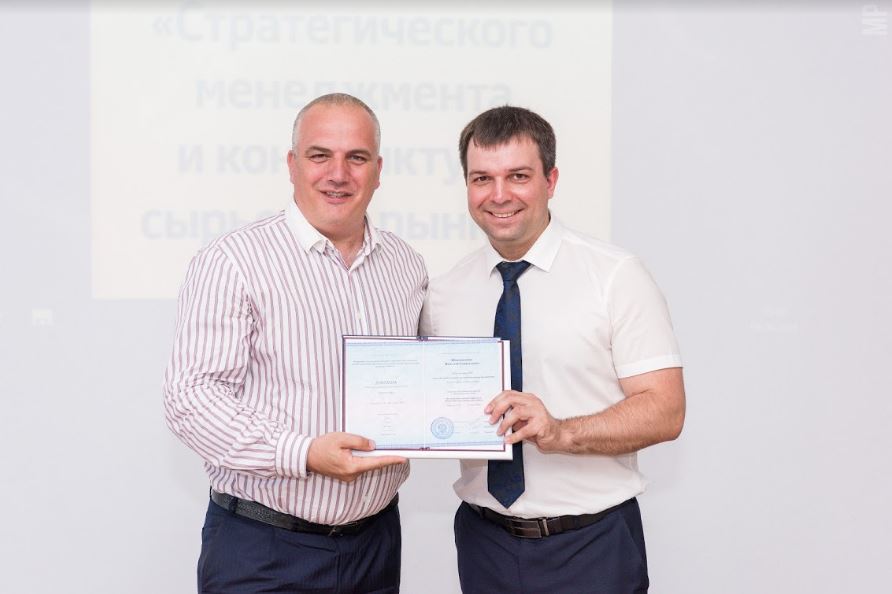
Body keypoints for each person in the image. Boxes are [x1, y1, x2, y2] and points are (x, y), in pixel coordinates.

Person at [163, 93, 427, 594]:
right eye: (319, 155)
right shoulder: (234, 260)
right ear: (292, 165)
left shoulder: (405, 265)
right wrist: (303, 452)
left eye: (356, 157)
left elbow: (420, 384)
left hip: (376, 546)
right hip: (263, 551)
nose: (338, 174)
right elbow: (191, 400)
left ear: (378, 170)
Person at [420, 106, 685, 593]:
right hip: (484, 545)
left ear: (551, 180)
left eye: (518, 176)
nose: (499, 195)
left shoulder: (615, 277)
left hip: (592, 546)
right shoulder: (444, 293)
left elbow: (666, 411)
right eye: (482, 178)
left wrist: (560, 431)